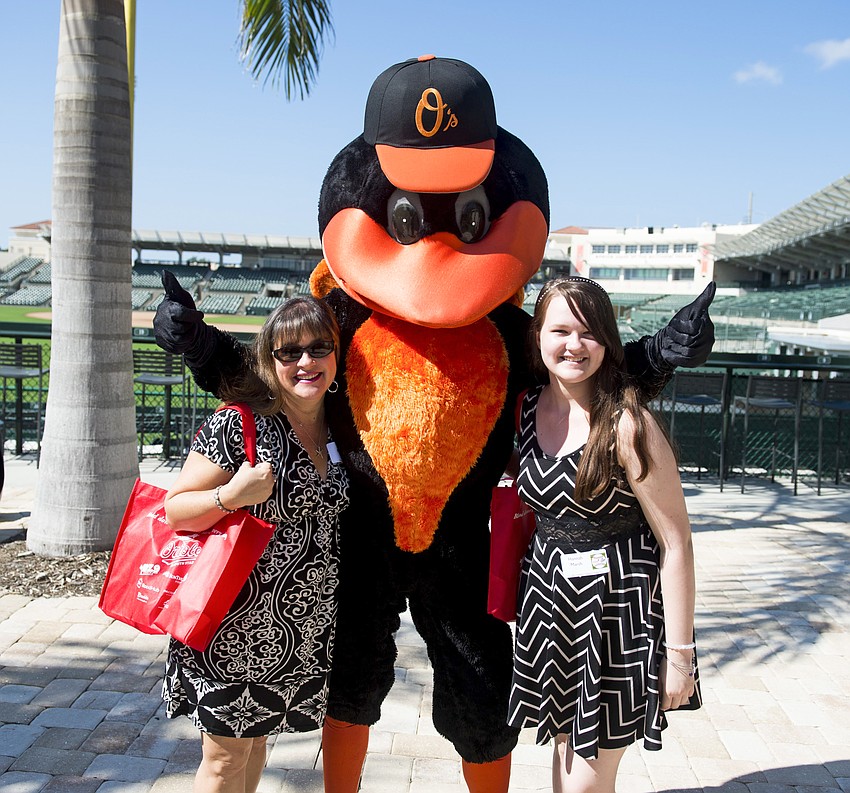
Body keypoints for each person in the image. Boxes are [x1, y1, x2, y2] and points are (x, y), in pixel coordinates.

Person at [508, 277, 699, 793]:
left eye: (589, 332)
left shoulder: (628, 424)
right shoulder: (524, 410)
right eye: (561, 330)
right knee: (567, 770)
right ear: (538, 337)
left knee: (584, 783)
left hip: (616, 618)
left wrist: (680, 657)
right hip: (548, 609)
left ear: (609, 342)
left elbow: (677, 543)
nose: (574, 345)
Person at [161, 296, 349, 793]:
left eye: (318, 348)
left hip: (299, 630)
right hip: (233, 625)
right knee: (225, 761)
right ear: (269, 360)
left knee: (257, 748)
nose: (305, 362)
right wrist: (230, 496)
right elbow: (174, 510)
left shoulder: (343, 421)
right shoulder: (241, 422)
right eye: (289, 353)